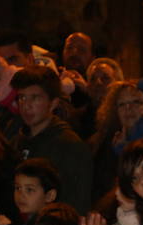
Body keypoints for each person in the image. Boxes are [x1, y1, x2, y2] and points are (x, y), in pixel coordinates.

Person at [10, 65, 93, 215]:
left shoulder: (69, 146)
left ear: (53, 103)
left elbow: (78, 203)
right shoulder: (18, 140)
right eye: (22, 97)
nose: (26, 106)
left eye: (35, 98)